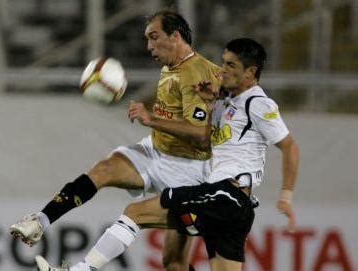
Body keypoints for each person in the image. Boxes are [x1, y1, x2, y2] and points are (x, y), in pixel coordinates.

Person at [34, 38, 299, 271]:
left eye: (231, 65)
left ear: (251, 71)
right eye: (223, 62)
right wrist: (210, 102)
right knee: (174, 260)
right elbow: (209, 134)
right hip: (234, 209)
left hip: (225, 195)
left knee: (135, 212)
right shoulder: (227, 101)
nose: (222, 70)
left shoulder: (258, 103)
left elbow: (289, 146)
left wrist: (286, 195)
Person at [10, 10, 221, 271]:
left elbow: (201, 136)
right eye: (147, 39)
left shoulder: (198, 74)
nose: (149, 46)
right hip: (156, 151)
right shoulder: (173, 66)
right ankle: (39, 222)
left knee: (174, 263)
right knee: (105, 169)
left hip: (189, 173)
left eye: (154, 37)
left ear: (175, 35)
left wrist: (151, 119)